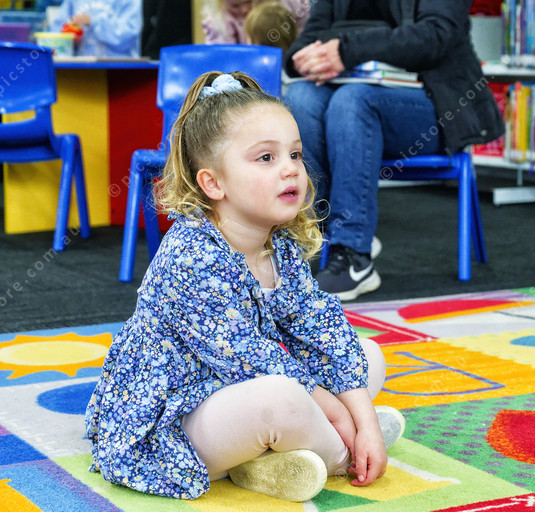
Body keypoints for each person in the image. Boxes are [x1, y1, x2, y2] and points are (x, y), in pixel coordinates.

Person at [85, 71, 406, 501]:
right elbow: (249, 359)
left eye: (295, 154)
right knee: (281, 397)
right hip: (176, 419)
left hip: (241, 391)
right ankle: (342, 455)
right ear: (213, 183)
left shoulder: (281, 244)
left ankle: (270, 460)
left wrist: (364, 419)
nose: (291, 169)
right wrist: (346, 422)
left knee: (368, 355)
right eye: (266, 158)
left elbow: (321, 329)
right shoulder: (191, 253)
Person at [283, 0, 505, 301]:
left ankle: (353, 253)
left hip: (436, 106)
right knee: (300, 97)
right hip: (346, 107)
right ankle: (307, 239)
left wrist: (348, 50)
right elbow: (311, 36)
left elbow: (437, 35)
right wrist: (302, 60)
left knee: (352, 102)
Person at [50, 0, 142, 58]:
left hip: (119, 70)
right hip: (79, 70)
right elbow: (57, 30)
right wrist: (68, 39)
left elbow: (129, 34)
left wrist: (93, 22)